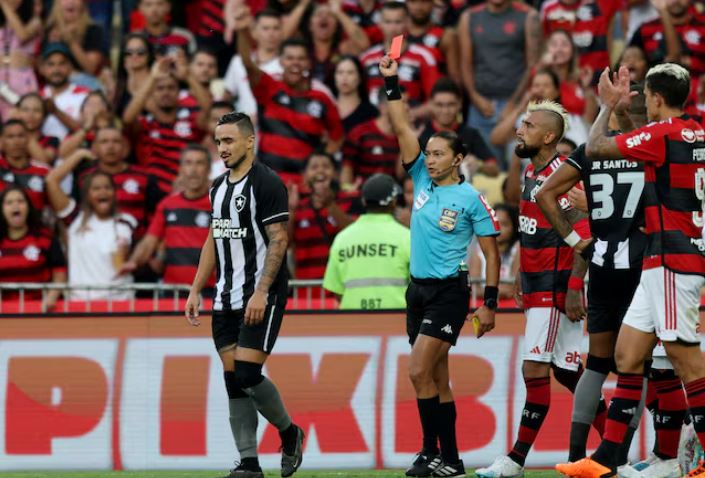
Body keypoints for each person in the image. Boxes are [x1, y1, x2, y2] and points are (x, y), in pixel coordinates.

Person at [555, 64, 705, 478]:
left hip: (673, 259)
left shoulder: (663, 134)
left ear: (655, 98)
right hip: (659, 259)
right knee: (627, 354)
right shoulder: (695, 129)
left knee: (682, 356)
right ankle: (605, 460)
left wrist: (607, 107)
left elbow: (599, 147)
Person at [380, 55, 500, 478]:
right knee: (436, 378)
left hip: (450, 292)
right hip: (418, 290)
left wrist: (489, 303)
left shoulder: (471, 198)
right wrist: (392, 83)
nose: (428, 159)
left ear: (457, 158)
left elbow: (492, 251)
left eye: (437, 154)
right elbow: (400, 126)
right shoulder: (422, 182)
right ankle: (450, 459)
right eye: (427, 153)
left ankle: (429, 453)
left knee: (416, 369)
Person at [477, 100, 597, 478]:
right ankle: (615, 442)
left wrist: (575, 286)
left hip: (557, 286)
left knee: (535, 367)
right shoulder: (532, 172)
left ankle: (515, 459)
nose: (519, 129)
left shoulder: (562, 176)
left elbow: (583, 232)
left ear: (548, 136)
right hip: (536, 283)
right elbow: (530, 231)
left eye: (528, 125)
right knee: (566, 372)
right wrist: (519, 277)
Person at [535, 84, 651, 467]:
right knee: (643, 365)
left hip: (601, 264)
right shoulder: (652, 150)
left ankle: (575, 457)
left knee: (598, 363)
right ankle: (621, 454)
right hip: (643, 268)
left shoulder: (589, 153)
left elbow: (545, 194)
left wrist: (574, 241)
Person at [185, 112, 304, 478]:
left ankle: (289, 432)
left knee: (248, 372)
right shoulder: (217, 187)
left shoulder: (267, 183)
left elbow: (279, 239)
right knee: (233, 378)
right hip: (224, 297)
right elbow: (213, 238)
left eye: (229, 141)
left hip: (259, 296)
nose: (222, 148)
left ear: (249, 141)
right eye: (218, 142)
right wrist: (195, 288)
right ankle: (249, 463)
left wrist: (262, 292)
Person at [234, 4, 343, 185]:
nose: (295, 64)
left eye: (301, 59)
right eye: (290, 58)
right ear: (281, 61)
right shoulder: (269, 87)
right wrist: (242, 30)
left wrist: (319, 166)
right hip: (267, 181)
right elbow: (247, 62)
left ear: (309, 63)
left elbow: (337, 137)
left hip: (305, 185)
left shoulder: (322, 96)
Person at [458, 0, 540, 164]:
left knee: (516, 164)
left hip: (517, 105)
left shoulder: (529, 16)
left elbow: (533, 64)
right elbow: (465, 63)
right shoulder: (469, 17)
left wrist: (514, 104)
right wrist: (475, 97)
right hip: (480, 106)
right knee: (485, 169)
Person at [122, 144, 214, 291]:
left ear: (209, 169)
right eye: (188, 163)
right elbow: (149, 242)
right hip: (174, 291)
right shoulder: (167, 204)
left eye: (199, 163)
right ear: (180, 169)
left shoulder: (219, 204)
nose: (194, 170)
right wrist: (133, 261)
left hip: (210, 291)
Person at [46, 167, 136, 301]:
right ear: (87, 195)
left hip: (119, 301)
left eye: (107, 187)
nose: (103, 192)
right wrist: (80, 154)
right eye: (96, 188)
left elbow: (125, 252)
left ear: (115, 192)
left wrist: (127, 259)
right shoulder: (74, 219)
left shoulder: (126, 221)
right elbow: (51, 180)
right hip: (81, 302)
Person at [57, 125, 162, 240]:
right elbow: (77, 215)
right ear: (94, 148)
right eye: (104, 142)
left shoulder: (145, 177)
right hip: (95, 246)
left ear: (125, 147)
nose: (110, 146)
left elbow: (157, 218)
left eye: (116, 141)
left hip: (135, 248)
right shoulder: (84, 177)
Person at [323, 173, 410, 309]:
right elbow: (419, 285)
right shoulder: (407, 237)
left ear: (363, 201)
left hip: (353, 321)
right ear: (393, 201)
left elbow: (336, 289)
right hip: (396, 320)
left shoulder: (342, 238)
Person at [123, 56, 209, 192]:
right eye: (160, 88)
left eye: (171, 88)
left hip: (185, 189)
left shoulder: (191, 122)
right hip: (151, 191)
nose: (165, 92)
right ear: (152, 93)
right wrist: (152, 77)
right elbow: (127, 119)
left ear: (179, 93)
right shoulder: (145, 125)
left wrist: (188, 76)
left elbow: (208, 109)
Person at [360, 1, 440, 121]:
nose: (393, 28)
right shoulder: (367, 58)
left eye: (398, 22)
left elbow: (436, 101)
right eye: (388, 22)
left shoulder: (424, 57)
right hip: (373, 125)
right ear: (380, 23)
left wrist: (408, 116)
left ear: (407, 22)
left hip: (410, 123)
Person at [289, 152, 361, 280]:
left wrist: (330, 206)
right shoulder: (297, 206)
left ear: (335, 173)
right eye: (314, 167)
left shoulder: (350, 200)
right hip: (306, 292)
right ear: (304, 175)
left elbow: (356, 236)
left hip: (341, 288)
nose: (320, 170)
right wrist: (291, 210)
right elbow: (286, 243)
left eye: (326, 166)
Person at [0, 185, 65, 310]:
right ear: (2, 210)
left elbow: (59, 273)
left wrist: (51, 297)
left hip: (40, 309)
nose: (15, 206)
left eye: (20, 201)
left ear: (28, 207)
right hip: (4, 311)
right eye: (9, 202)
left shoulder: (46, 238)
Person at [419, 78, 499, 178]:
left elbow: (494, 169)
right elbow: (404, 173)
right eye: (439, 105)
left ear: (460, 104)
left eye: (451, 104)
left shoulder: (471, 134)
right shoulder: (421, 135)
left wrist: (478, 165)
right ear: (430, 104)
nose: (445, 111)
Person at [341, 87, 400, 186]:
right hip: (363, 196)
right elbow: (347, 167)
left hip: (393, 196)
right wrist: (347, 191)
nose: (406, 108)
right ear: (383, 107)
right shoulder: (360, 133)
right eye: (400, 104)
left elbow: (400, 174)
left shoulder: (404, 136)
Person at [0, 0, 41, 120]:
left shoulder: (34, 21)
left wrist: (4, 5)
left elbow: (22, 35)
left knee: (23, 119)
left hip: (21, 80)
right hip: (1, 80)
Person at [468, 203, 519, 300]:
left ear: (514, 227)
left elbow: (514, 288)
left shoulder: (517, 249)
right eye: (495, 223)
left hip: (510, 307)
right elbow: (473, 287)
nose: (499, 228)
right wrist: (495, 293)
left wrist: (487, 292)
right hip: (483, 303)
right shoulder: (478, 249)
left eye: (504, 224)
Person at [42, 0, 105, 77]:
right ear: (56, 3)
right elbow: (40, 66)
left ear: (83, 3)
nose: (71, 2)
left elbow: (91, 68)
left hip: (82, 83)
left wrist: (70, 42)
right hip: (53, 83)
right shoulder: (48, 30)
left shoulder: (93, 30)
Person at [39, 43, 87, 140]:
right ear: (42, 69)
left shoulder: (85, 95)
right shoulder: (37, 97)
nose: (56, 70)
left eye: (62, 64)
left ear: (70, 67)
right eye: (51, 64)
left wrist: (55, 111)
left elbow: (86, 130)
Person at [0, 119, 50, 211]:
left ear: (28, 139)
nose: (16, 141)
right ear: (2, 141)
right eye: (10, 137)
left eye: (21, 136)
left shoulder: (43, 171)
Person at [333, 55, 378, 133]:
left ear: (360, 77)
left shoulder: (370, 113)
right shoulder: (325, 108)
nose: (344, 77)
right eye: (340, 72)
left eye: (350, 73)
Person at [114, 33, 154, 118]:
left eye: (141, 52)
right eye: (129, 52)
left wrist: (133, 90)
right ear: (123, 56)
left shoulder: (156, 80)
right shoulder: (118, 84)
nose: (134, 56)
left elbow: (157, 110)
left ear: (149, 54)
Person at [14, 93, 59, 165]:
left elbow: (44, 161)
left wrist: (23, 132)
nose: (30, 115)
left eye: (37, 110)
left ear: (44, 116)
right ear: (18, 113)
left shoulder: (52, 140)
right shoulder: (6, 137)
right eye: (25, 110)